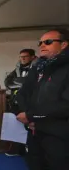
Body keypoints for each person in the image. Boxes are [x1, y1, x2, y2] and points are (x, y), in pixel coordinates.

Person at [16, 29, 69, 170]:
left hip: (58, 136)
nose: (42, 45)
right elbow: (22, 93)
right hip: (35, 132)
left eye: (48, 42)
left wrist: (31, 116)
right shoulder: (39, 68)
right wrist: (30, 117)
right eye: (40, 42)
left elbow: (65, 105)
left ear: (63, 44)